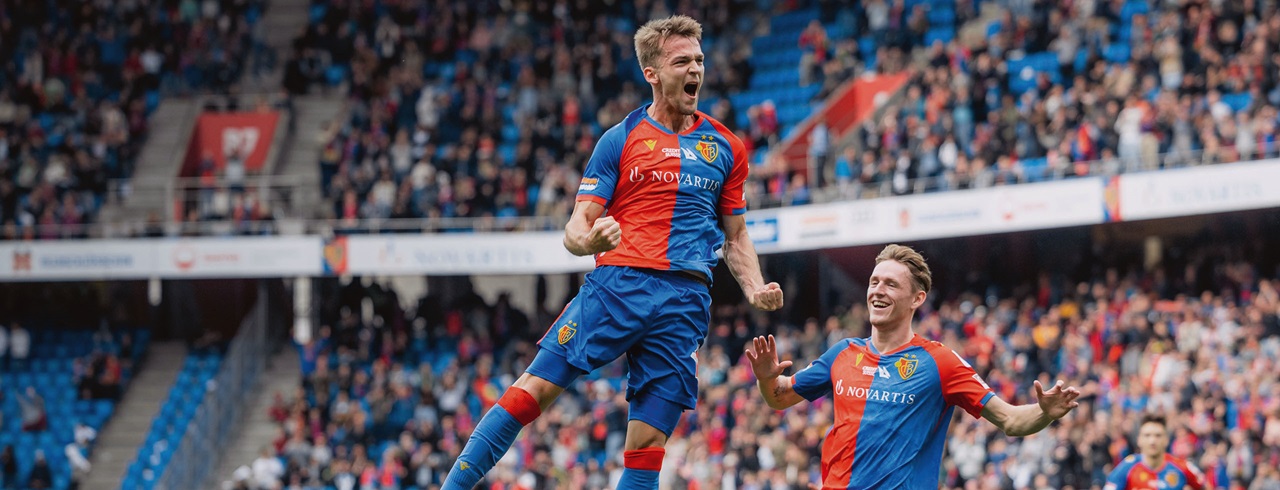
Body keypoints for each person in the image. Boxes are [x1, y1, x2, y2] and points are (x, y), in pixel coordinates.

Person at [443, 14, 783, 490]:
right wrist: (590, 242)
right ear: (651, 73)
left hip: (685, 302)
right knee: (534, 390)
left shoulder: (726, 146)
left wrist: (754, 285)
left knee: (647, 447)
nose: (695, 70)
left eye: (699, 60)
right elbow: (575, 228)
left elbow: (737, 235)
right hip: (619, 285)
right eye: (682, 62)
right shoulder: (620, 139)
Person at [747, 244, 1079, 488]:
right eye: (874, 282)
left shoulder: (940, 362)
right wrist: (765, 378)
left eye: (891, 284)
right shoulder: (842, 353)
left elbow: (1011, 420)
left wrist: (1045, 412)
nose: (878, 291)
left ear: (917, 299)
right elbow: (779, 397)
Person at [1104, 414, 1204, 490]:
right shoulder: (1126, 467)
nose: (1152, 441)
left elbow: (1204, 485)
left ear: (1166, 440)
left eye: (1158, 435)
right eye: (1147, 435)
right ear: (1139, 440)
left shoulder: (1182, 466)